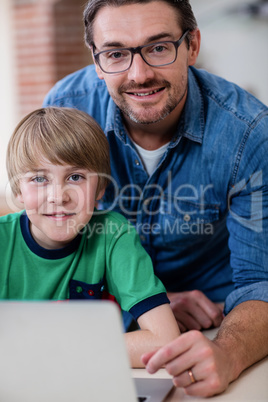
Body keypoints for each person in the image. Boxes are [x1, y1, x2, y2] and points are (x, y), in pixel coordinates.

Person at [43, 0, 268, 397]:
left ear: (192, 45)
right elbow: (56, 244)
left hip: (213, 326)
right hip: (110, 315)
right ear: (96, 61)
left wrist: (228, 355)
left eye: (159, 47)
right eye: (115, 54)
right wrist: (146, 303)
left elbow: (261, 282)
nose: (139, 74)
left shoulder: (249, 134)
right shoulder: (67, 108)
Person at [1, 106, 180, 368]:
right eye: (39, 178)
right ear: (18, 191)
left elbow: (164, 341)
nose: (58, 196)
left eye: (75, 177)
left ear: (100, 188)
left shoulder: (113, 235)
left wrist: (47, 348)